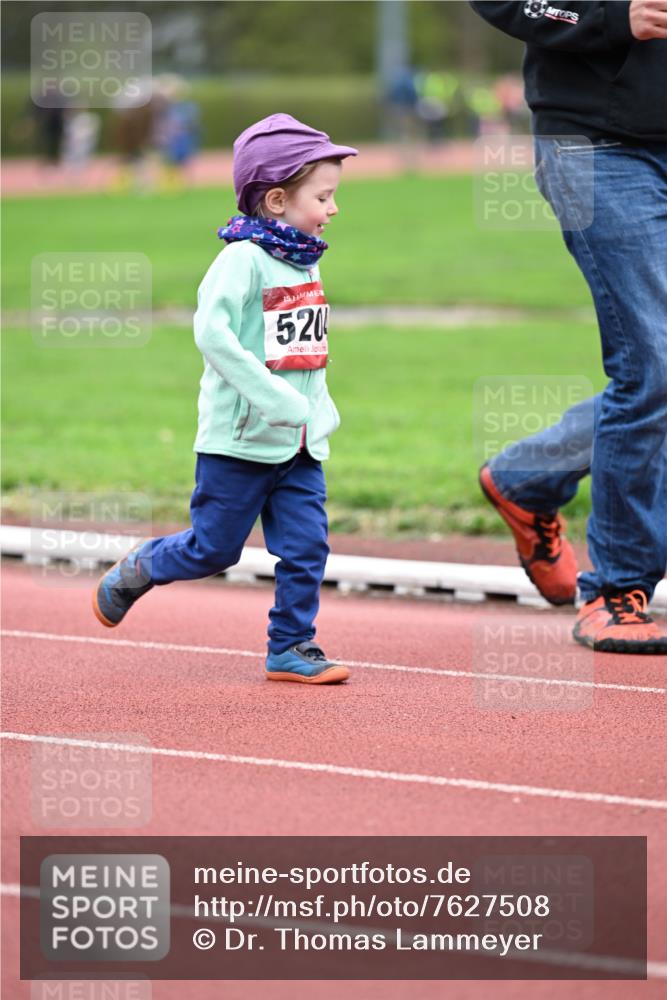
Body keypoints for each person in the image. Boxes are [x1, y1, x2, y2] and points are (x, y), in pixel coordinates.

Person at [93, 114, 358, 683]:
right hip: (238, 444)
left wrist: (319, 411)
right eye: (323, 197)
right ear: (278, 200)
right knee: (213, 551)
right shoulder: (241, 260)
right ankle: (142, 566)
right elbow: (213, 336)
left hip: (300, 445)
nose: (334, 208)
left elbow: (305, 350)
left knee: (307, 548)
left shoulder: (305, 259)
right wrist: (274, 400)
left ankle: (291, 645)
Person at [471, 0, 667, 654]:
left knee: (659, 373)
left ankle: (527, 478)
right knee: (652, 364)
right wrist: (610, 17)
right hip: (597, 145)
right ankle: (616, 590)